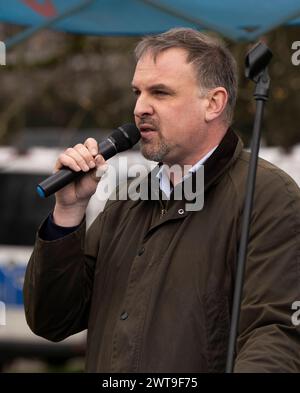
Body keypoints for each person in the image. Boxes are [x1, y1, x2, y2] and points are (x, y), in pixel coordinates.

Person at [23, 28, 300, 373]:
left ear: (213, 103)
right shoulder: (127, 202)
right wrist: (68, 212)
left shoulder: (268, 196)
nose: (140, 108)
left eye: (160, 93)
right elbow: (51, 320)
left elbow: (276, 336)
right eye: (137, 92)